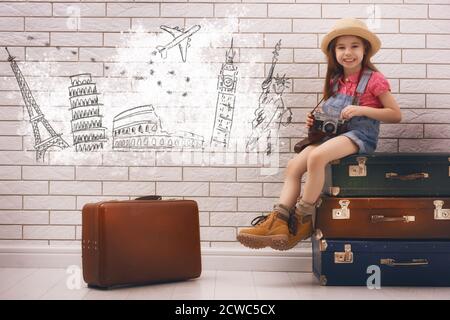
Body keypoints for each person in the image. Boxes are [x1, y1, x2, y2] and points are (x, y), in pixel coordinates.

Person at [237, 18, 402, 251]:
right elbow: (332, 114)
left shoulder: (374, 79)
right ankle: (279, 221)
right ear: (333, 52)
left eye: (354, 46)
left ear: (365, 50)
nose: (348, 52)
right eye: (341, 47)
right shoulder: (336, 80)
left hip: (360, 136)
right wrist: (315, 120)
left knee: (316, 158)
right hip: (335, 136)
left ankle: (303, 218)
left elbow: (395, 115)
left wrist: (362, 109)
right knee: (294, 167)